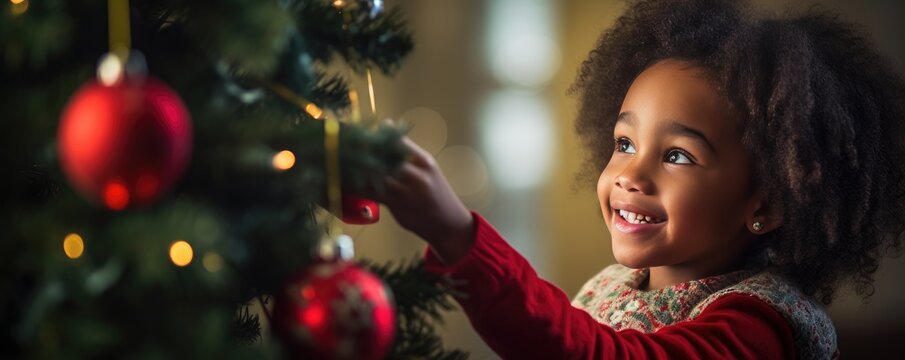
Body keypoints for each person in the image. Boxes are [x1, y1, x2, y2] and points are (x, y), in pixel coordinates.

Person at [366, 0, 905, 358]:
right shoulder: (607, 288)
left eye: (677, 155)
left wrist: (458, 234)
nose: (630, 174)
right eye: (624, 144)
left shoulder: (760, 326)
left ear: (767, 202)